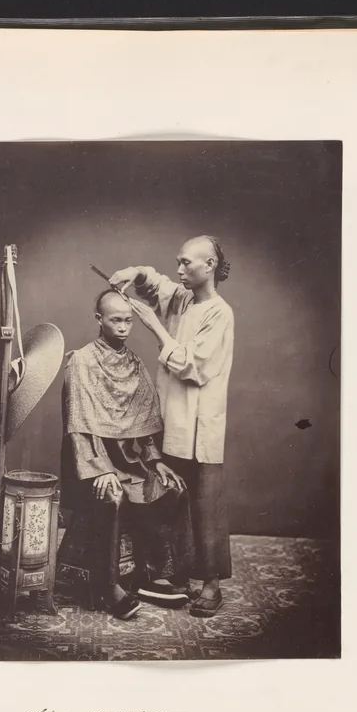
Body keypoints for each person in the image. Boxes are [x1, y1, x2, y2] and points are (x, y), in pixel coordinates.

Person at [108, 235, 235, 616]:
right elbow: (154, 282)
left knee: (204, 503)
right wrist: (134, 272)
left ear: (209, 265)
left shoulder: (220, 312)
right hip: (171, 417)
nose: (179, 270)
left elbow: (194, 367)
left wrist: (154, 327)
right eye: (178, 262)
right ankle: (178, 576)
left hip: (199, 422)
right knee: (171, 498)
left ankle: (211, 584)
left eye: (187, 263)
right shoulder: (181, 297)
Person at [58, 289, 188, 620]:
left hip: (130, 461)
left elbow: (144, 425)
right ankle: (109, 586)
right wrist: (99, 469)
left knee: (172, 486)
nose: (123, 327)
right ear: (99, 320)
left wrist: (156, 461)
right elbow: (77, 426)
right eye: (116, 320)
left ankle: (154, 574)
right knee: (112, 497)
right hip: (88, 462)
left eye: (129, 321)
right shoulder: (81, 362)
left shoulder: (135, 363)